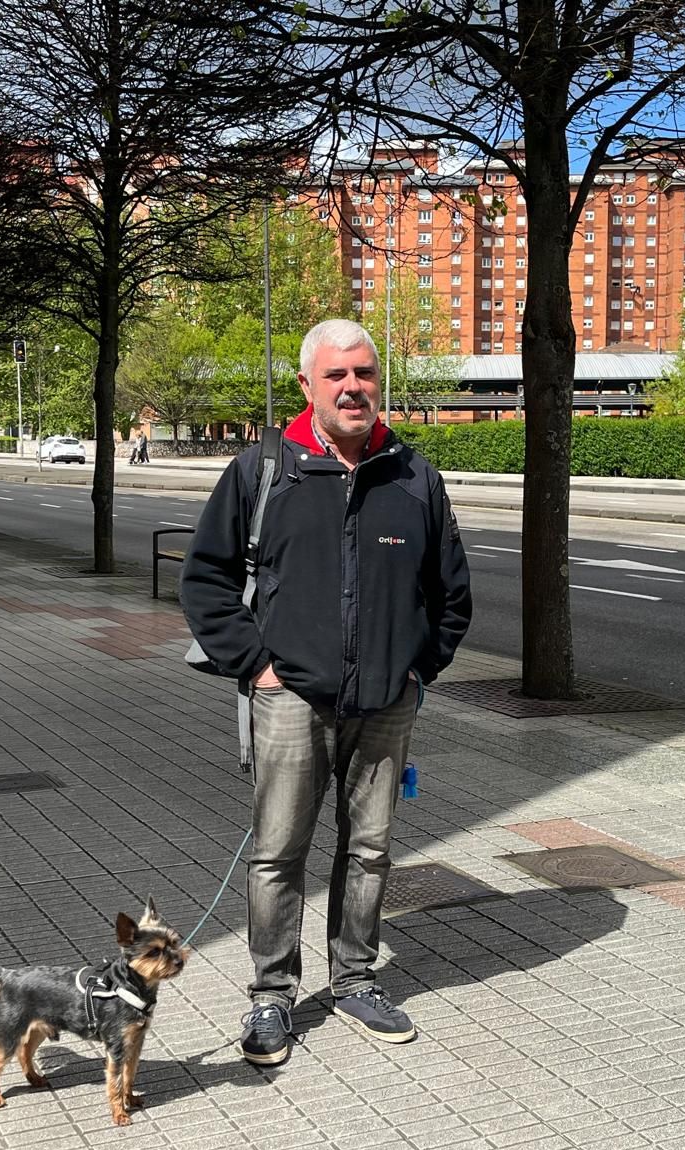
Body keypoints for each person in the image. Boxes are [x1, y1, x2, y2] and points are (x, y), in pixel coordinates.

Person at [180, 318, 473, 1068]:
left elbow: (453, 595)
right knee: (278, 853)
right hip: (289, 701)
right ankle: (272, 995)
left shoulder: (413, 477)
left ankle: (354, 979)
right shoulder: (264, 471)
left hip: (385, 702)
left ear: (380, 382)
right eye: (337, 376)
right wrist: (256, 665)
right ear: (308, 385)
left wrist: (416, 670)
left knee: (370, 850)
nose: (353, 388)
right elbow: (206, 580)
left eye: (365, 374)